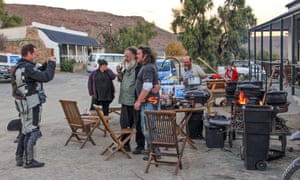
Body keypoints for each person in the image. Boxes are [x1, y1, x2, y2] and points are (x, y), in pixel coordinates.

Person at [12, 43, 56, 168]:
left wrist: (46, 64)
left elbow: (37, 72)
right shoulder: (28, 68)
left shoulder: (18, 67)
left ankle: (19, 158)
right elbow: (46, 76)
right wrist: (52, 64)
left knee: (25, 131)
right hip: (32, 102)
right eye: (34, 53)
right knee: (33, 131)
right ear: (29, 53)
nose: (35, 56)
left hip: (22, 103)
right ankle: (29, 160)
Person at [116, 47, 144, 153]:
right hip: (124, 100)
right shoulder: (127, 67)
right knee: (124, 124)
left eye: (127, 56)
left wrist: (140, 100)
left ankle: (140, 146)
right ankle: (125, 144)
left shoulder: (139, 67)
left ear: (133, 56)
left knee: (138, 124)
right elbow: (122, 80)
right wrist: (119, 72)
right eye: (125, 56)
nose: (125, 58)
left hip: (134, 100)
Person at [134, 46, 160, 160]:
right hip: (147, 102)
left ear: (145, 56)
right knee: (147, 128)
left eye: (139, 54)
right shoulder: (146, 67)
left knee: (149, 128)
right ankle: (152, 150)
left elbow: (148, 86)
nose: (137, 56)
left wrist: (138, 101)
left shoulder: (148, 68)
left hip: (149, 102)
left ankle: (154, 152)